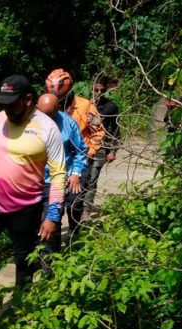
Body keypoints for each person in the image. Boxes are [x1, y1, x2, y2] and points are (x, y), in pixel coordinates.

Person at [0, 75, 66, 317]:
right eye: (3, 104)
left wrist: (52, 215)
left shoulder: (47, 127)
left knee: (24, 259)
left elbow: (58, 173)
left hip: (26, 207)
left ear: (28, 99)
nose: (7, 109)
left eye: (12, 104)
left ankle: (22, 307)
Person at [44, 69, 105, 237]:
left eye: (60, 100)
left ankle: (74, 233)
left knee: (74, 202)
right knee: (54, 204)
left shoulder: (85, 106)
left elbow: (99, 131)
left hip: (79, 159)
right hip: (54, 162)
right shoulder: (45, 105)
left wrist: (89, 152)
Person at [35, 92, 87, 253]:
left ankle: (51, 260)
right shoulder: (28, 123)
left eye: (49, 114)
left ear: (58, 108)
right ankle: (37, 256)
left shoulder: (68, 123)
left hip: (59, 178)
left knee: (53, 219)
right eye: (41, 113)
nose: (45, 118)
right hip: (35, 179)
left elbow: (80, 150)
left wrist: (76, 173)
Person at [80, 76, 120, 214]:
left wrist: (113, 150)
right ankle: (77, 205)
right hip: (83, 147)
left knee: (92, 178)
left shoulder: (111, 107)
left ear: (106, 90)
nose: (98, 93)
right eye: (96, 90)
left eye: (102, 90)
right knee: (81, 177)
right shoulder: (84, 105)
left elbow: (115, 130)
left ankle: (86, 209)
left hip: (101, 147)